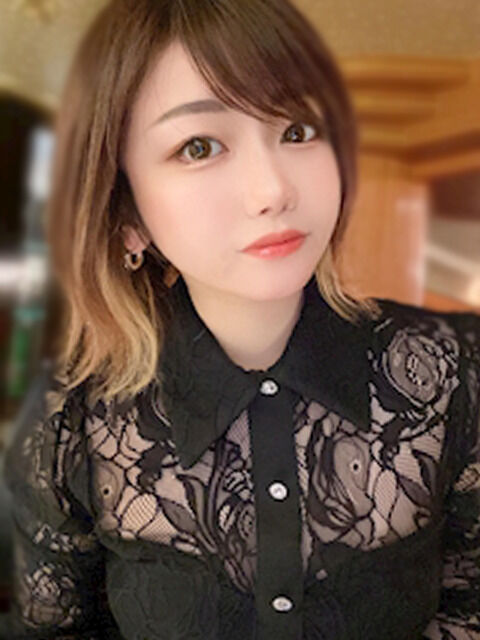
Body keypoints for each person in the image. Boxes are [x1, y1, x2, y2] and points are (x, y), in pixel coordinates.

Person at [2, 0, 480, 638]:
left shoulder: (452, 371)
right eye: (199, 146)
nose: (273, 190)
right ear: (127, 213)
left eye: (298, 130)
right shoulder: (71, 422)